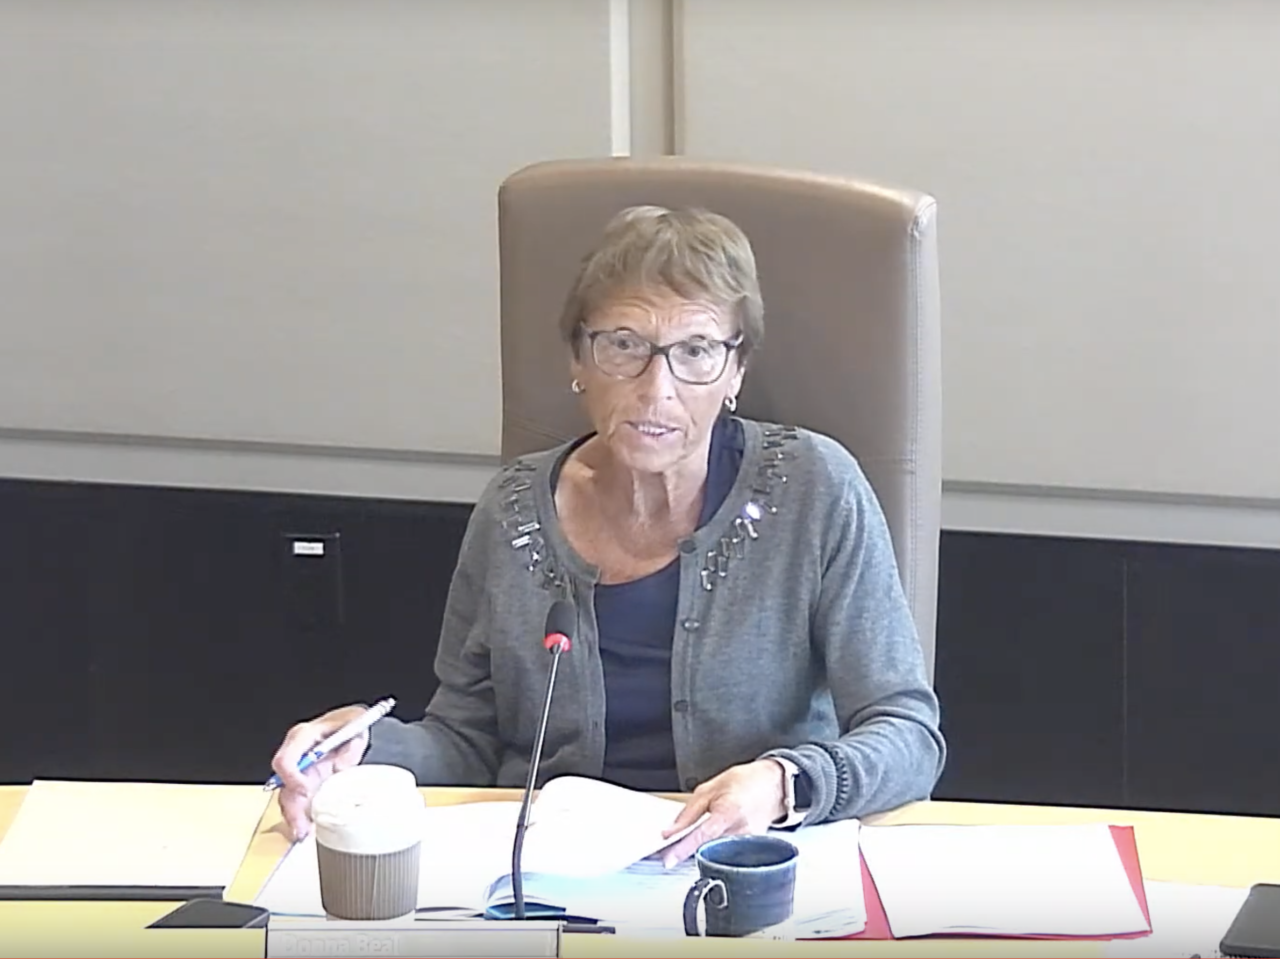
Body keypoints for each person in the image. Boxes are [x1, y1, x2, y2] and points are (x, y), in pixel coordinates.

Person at [271, 204, 946, 865]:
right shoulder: (512, 509)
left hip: (747, 868)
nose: (658, 389)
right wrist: (366, 749)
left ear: (736, 372)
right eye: (624, 345)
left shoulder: (813, 487)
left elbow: (908, 734)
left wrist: (783, 782)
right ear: (579, 360)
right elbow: (466, 741)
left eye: (697, 351)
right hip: (544, 879)